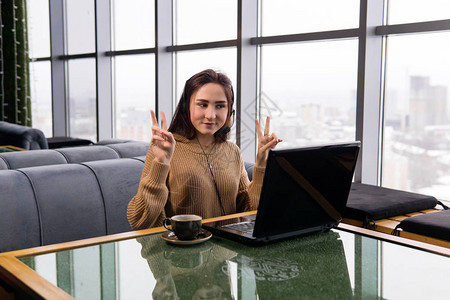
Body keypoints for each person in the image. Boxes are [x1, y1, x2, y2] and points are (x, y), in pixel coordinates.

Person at [127, 69, 281, 230]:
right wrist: (161, 163)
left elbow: (249, 212)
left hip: (228, 252)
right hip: (181, 252)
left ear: (230, 111)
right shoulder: (164, 149)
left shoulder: (232, 151)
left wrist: (262, 165)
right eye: (203, 104)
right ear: (187, 107)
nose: (211, 115)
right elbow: (140, 222)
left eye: (220, 106)